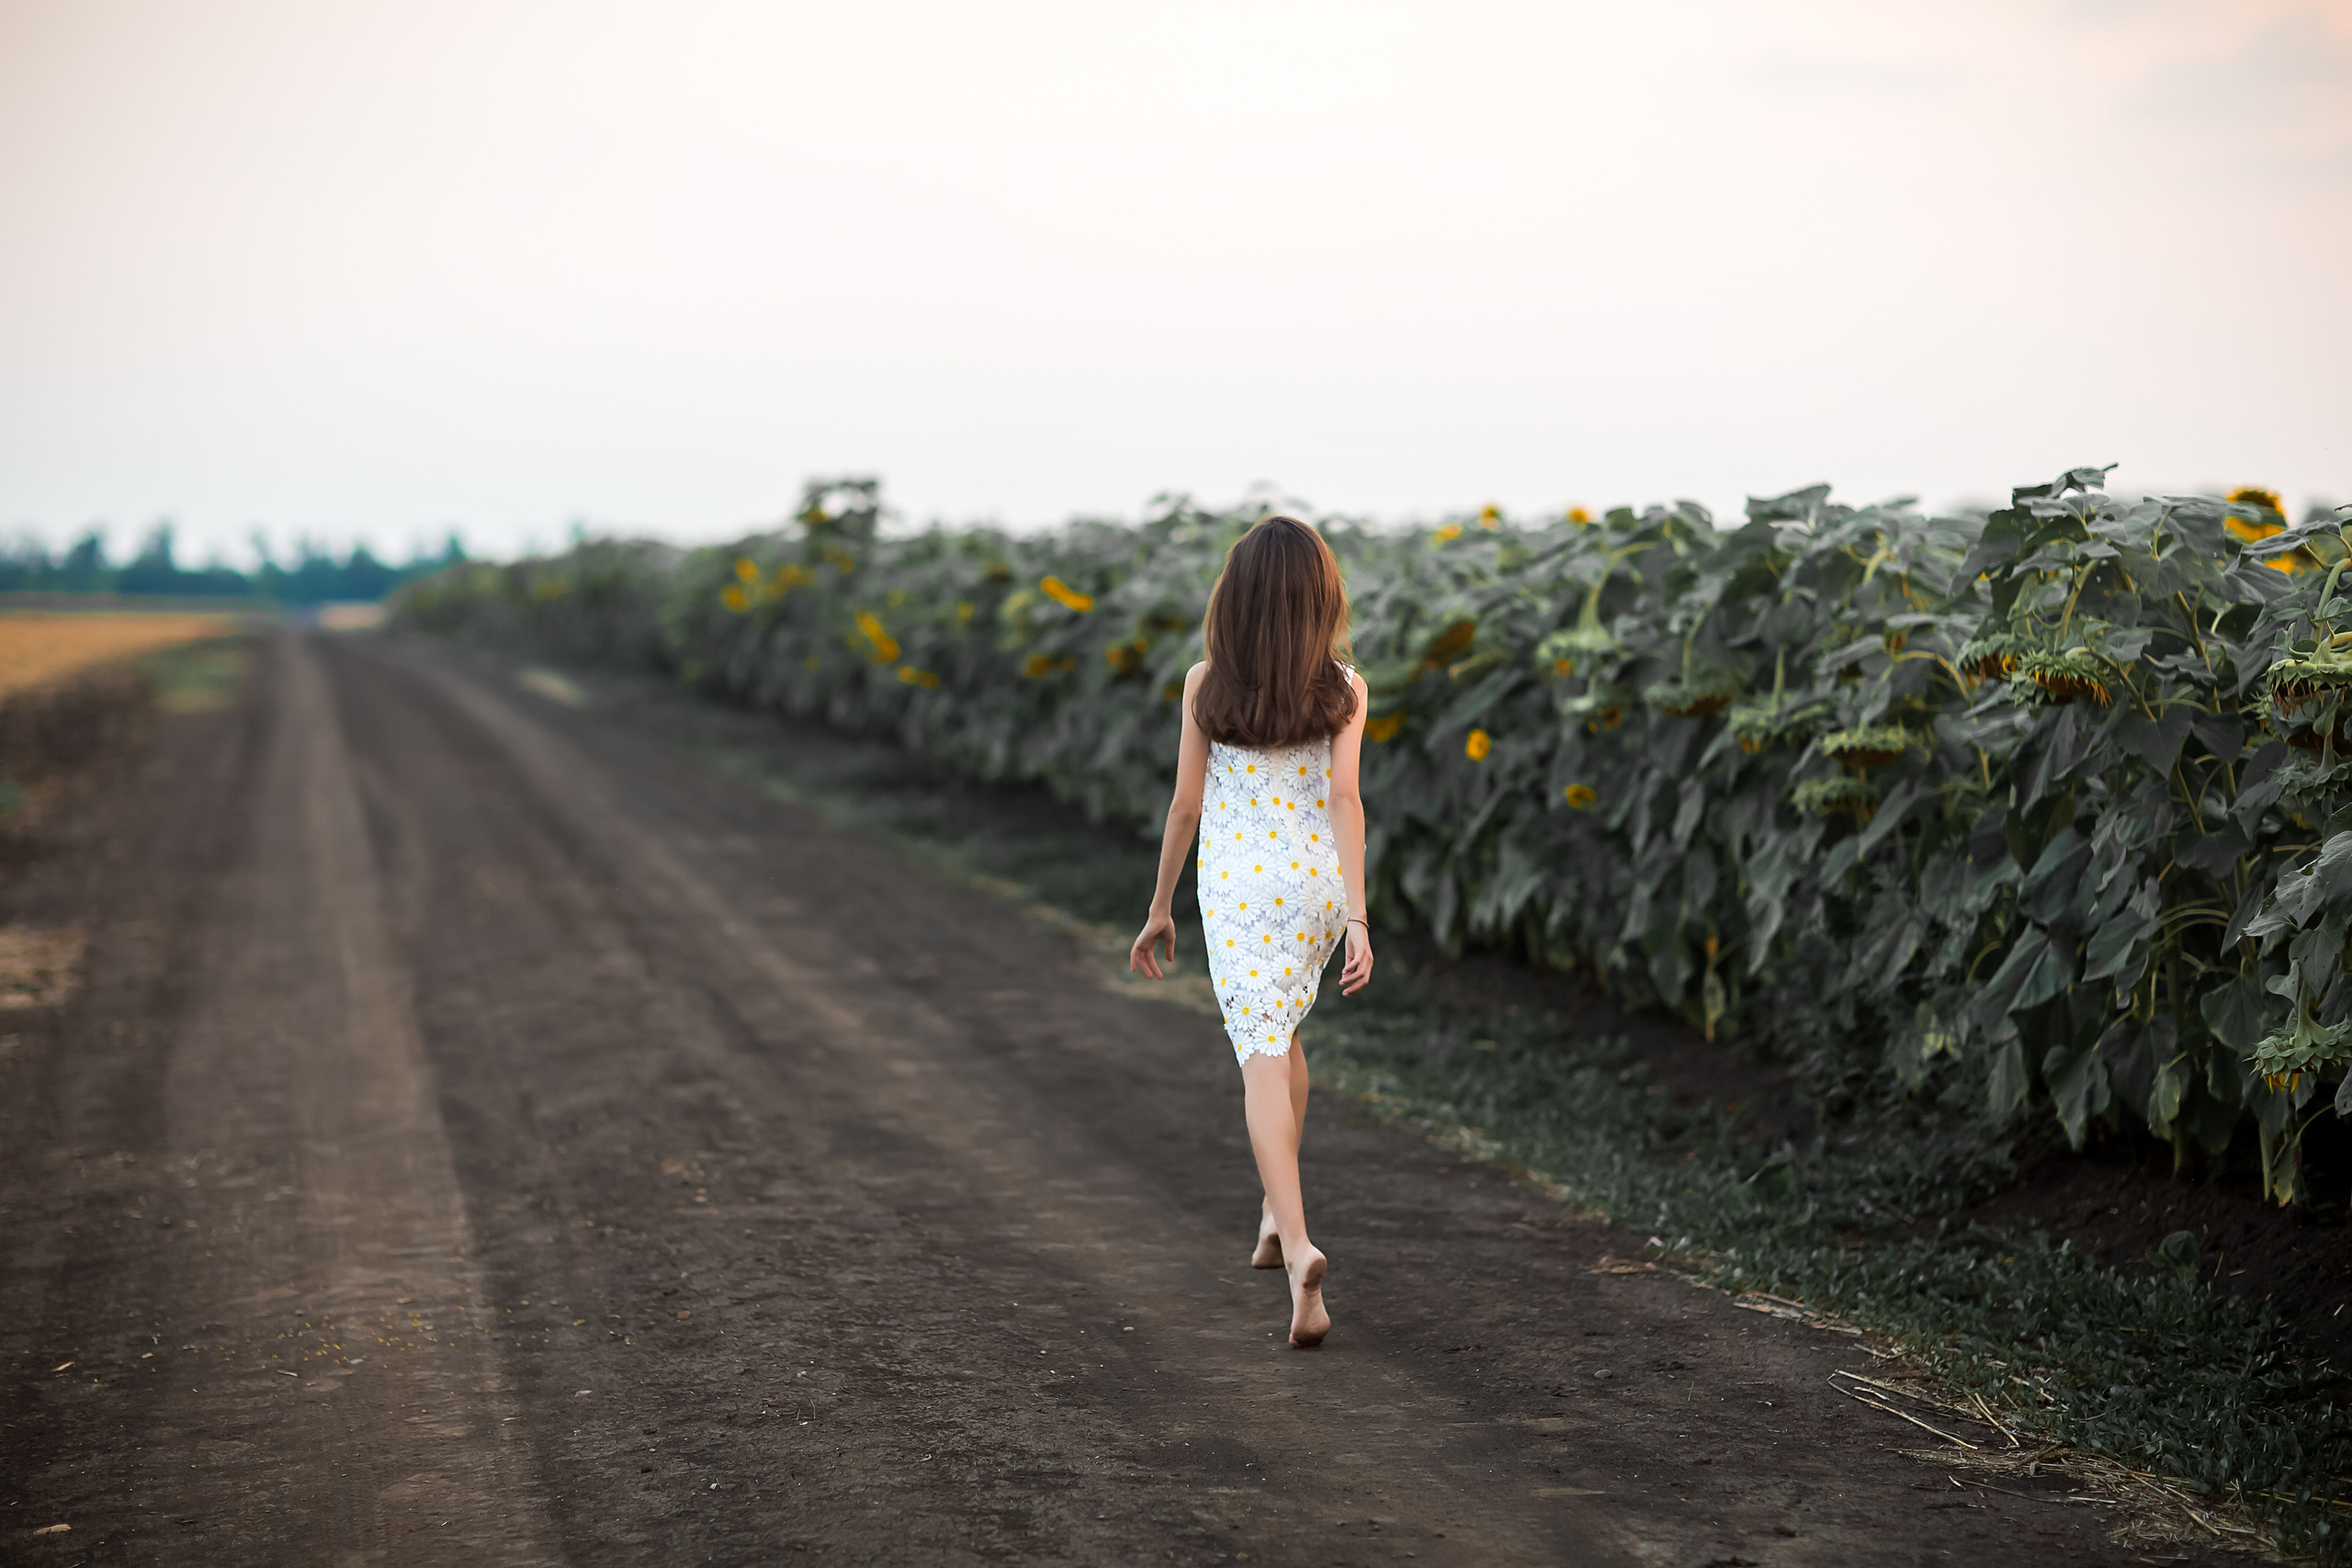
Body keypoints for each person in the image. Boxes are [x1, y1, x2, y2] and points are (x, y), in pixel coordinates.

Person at [1128, 514, 1374, 1348]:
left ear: (1234, 598)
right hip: (1312, 888)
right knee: (1285, 1031)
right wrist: (1357, 916)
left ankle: (1301, 1246)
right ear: (1320, 598)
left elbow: (1187, 805)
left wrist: (1161, 906)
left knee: (1259, 1056)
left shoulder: (1206, 684)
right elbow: (1345, 799)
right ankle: (1275, 1214)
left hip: (1237, 890)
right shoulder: (1344, 685)